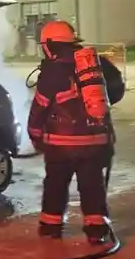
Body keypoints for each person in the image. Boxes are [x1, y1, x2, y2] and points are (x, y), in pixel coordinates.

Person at [27, 20, 114, 244]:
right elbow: (115, 90)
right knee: (92, 186)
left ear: (49, 45)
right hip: (95, 140)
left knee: (55, 185)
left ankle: (51, 227)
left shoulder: (52, 70)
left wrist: (34, 133)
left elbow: (40, 106)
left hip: (61, 144)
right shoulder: (96, 63)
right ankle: (96, 231)